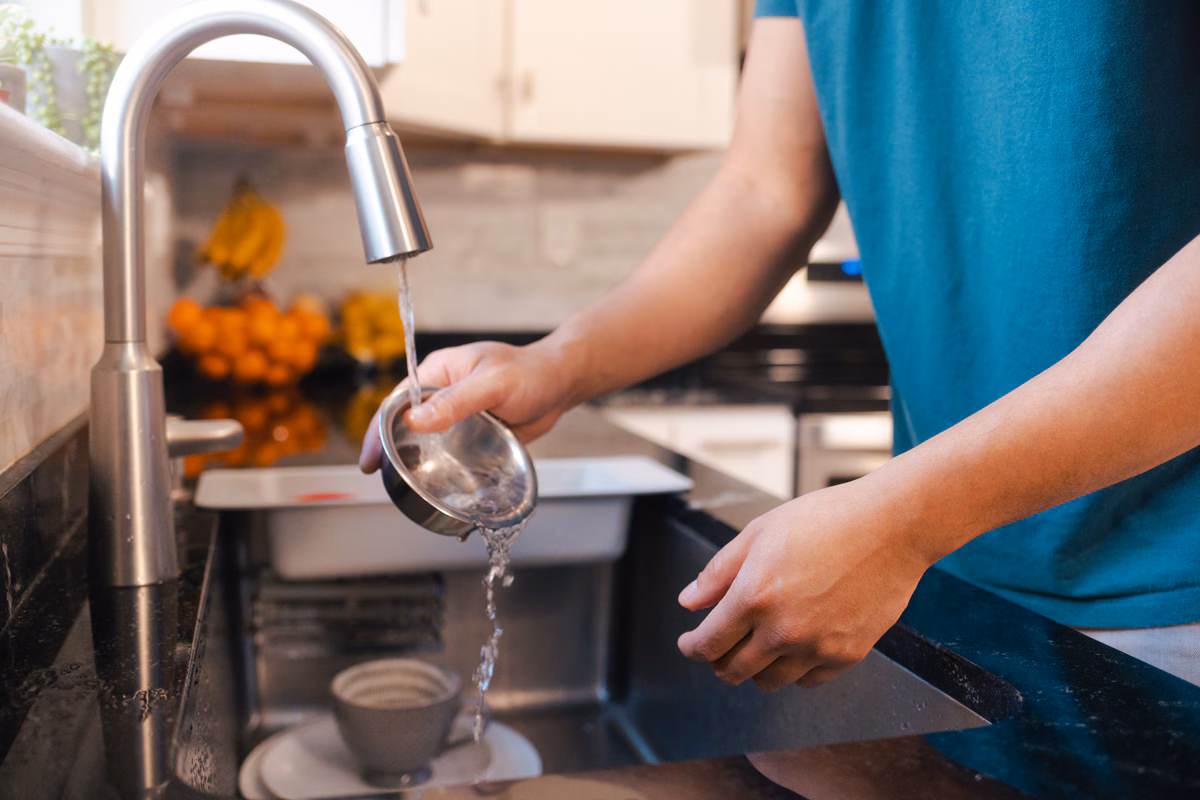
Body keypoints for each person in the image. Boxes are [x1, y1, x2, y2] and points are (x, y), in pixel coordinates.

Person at [361, 2, 1200, 691]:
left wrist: (906, 519)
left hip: (1174, 596)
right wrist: (557, 363)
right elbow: (765, 192)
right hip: (961, 578)